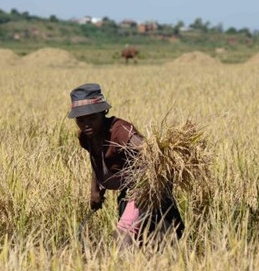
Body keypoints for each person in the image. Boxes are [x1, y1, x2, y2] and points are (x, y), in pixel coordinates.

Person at [68, 83, 184, 246]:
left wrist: (147, 189)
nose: (86, 124)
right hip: (128, 188)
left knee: (124, 236)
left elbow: (152, 152)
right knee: (143, 239)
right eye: (80, 120)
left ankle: (125, 270)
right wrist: (95, 189)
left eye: (92, 118)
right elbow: (96, 158)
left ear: (104, 113)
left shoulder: (120, 130)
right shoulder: (86, 136)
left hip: (144, 186)